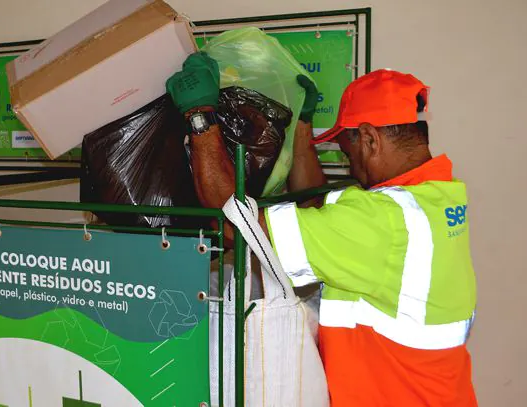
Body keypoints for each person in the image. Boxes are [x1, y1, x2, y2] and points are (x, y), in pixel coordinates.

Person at [167, 52, 478, 406]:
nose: (350, 164)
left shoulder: (380, 221)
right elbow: (319, 215)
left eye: (349, 149)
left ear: (370, 139)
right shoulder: (439, 197)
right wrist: (302, 129)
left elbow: (237, 226)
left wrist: (199, 119)